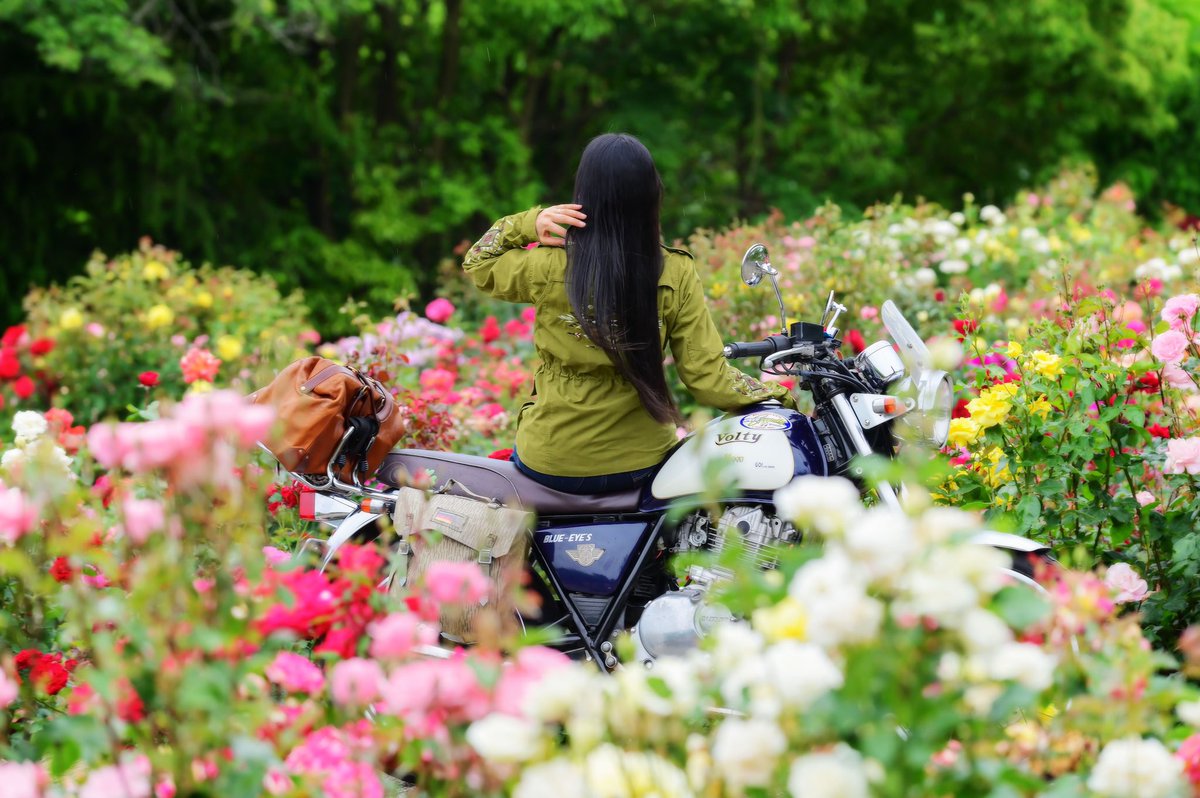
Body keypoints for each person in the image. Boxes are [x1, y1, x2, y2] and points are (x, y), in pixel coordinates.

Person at [462, 132, 796, 494]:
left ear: (583, 196)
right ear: (651, 195)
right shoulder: (674, 271)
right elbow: (707, 377)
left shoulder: (547, 266)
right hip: (642, 463)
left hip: (550, 459)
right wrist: (780, 398)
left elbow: (478, 262)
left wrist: (532, 221)